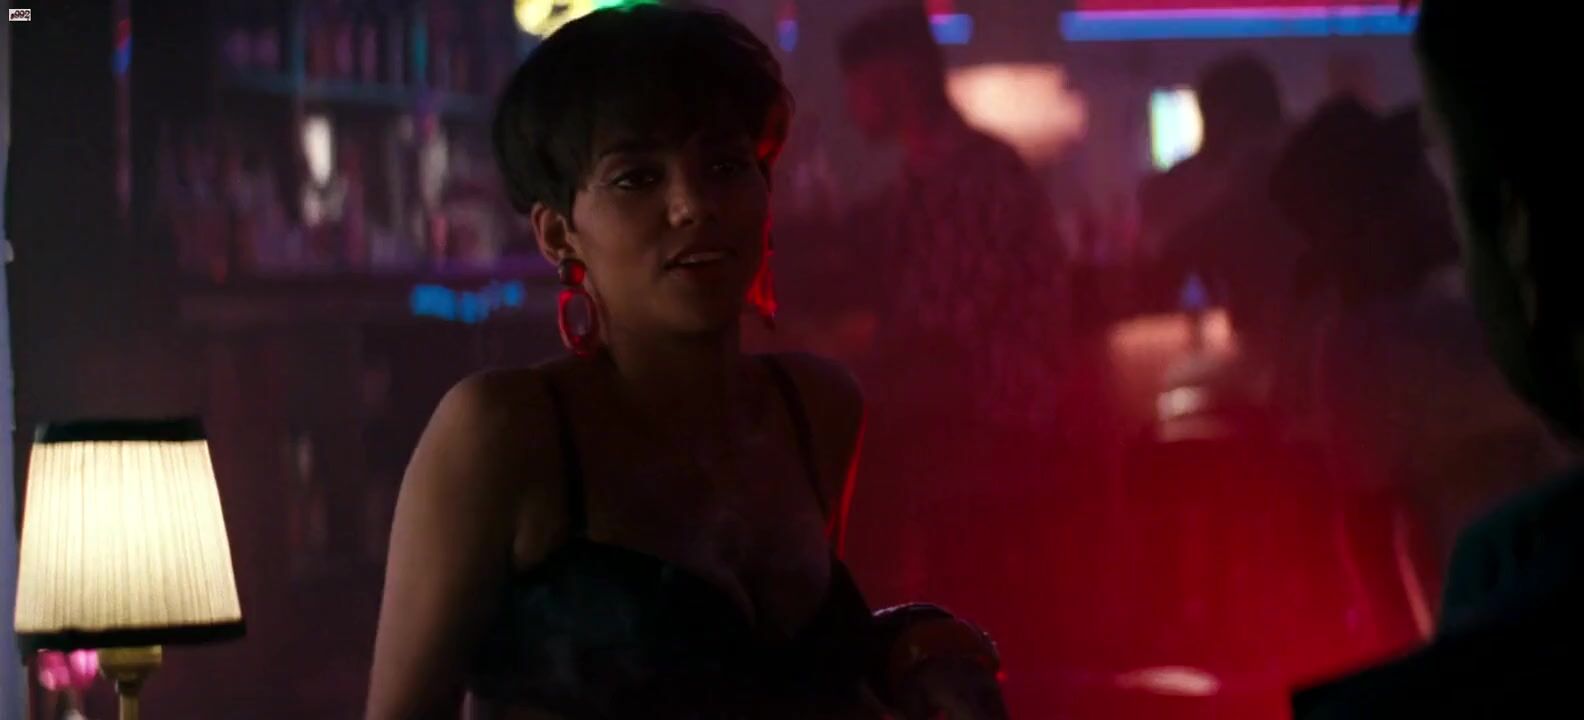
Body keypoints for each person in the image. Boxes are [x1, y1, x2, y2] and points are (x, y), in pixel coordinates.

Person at [365, 7, 1007, 719]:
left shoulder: (817, 409)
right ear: (558, 234)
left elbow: (817, 669)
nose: (693, 205)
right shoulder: (507, 432)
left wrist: (919, 654)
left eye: (726, 166)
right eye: (636, 177)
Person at [1291, 1, 1584, 715]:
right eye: (1420, 172)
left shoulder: (1359, 342)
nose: (1431, 187)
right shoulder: (1390, 340)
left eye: (1442, 167)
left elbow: (1366, 538)